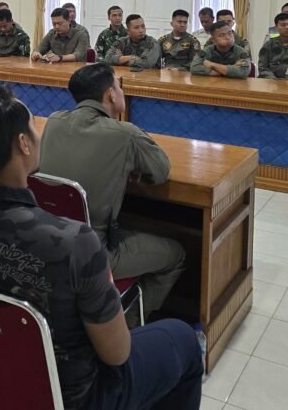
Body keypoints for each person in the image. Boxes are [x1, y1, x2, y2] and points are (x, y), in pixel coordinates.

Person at [0, 84, 202, 410]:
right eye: (33, 127)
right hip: (74, 398)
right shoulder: (73, 243)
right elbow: (117, 354)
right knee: (183, 339)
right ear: (23, 143)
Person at [41, 63, 185, 318]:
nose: (121, 91)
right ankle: (129, 325)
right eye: (119, 86)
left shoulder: (53, 121)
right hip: (96, 254)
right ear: (110, 94)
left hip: (49, 243)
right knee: (176, 254)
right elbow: (160, 171)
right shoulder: (125, 134)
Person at [257, 12, 288, 79]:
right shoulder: (268, 45)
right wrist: (274, 80)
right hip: (271, 81)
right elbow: (262, 67)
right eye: (283, 25)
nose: (287, 27)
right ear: (276, 28)